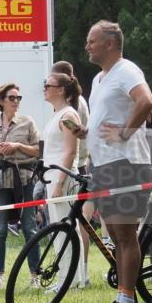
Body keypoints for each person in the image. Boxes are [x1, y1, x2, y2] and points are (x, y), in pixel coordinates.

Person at [80, 20, 152, 303]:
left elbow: (146, 101)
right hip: (104, 164)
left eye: (92, 40)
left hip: (126, 162)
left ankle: (126, 302)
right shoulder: (99, 79)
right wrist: (84, 131)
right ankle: (124, 297)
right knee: (114, 231)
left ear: (110, 44)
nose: (87, 45)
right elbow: (105, 118)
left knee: (124, 234)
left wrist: (125, 131)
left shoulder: (126, 70)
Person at [0, 83, 42, 289]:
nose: (16, 102)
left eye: (19, 98)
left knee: (29, 227)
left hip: (25, 178)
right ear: (1, 101)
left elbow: (39, 150)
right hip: (0, 180)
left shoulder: (27, 122)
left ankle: (35, 275)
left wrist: (17, 146)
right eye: (12, 98)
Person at [41, 72, 90, 291]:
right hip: (53, 175)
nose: (44, 88)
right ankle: (70, 277)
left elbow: (71, 152)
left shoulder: (68, 114)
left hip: (63, 176)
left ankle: (68, 280)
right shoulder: (57, 113)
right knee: (61, 227)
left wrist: (60, 182)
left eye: (48, 85)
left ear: (60, 90)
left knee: (66, 227)